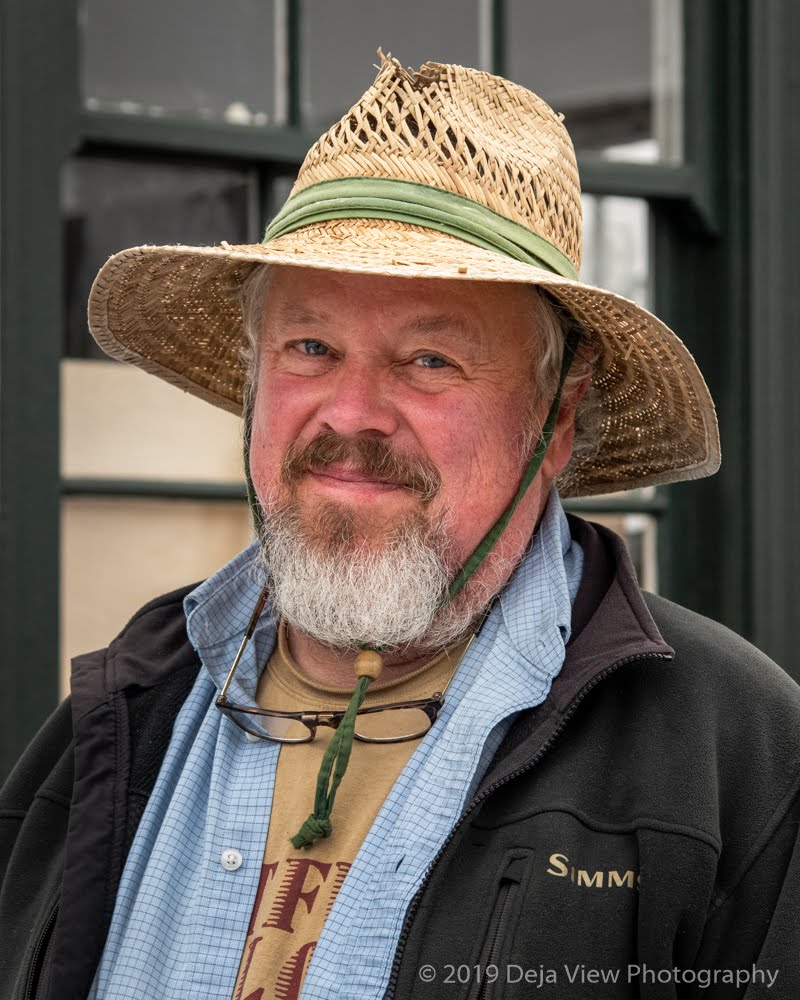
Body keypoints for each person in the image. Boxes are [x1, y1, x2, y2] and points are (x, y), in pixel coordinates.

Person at [2, 54, 799, 1000]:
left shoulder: (735, 760)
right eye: (310, 347)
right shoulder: (115, 721)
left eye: (429, 359)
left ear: (556, 414)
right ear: (254, 383)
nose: (352, 414)